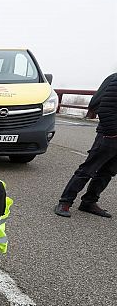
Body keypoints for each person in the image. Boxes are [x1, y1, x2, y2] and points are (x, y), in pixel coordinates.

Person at [54, 72, 117, 218]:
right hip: (109, 135)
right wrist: (112, 133)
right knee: (88, 169)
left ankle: (89, 202)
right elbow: (106, 108)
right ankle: (65, 201)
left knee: (108, 172)